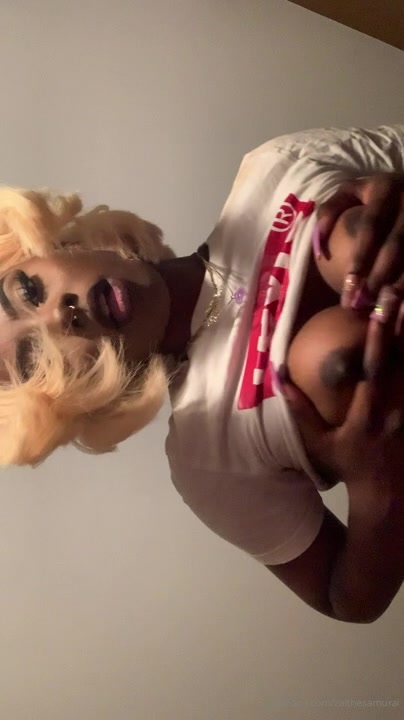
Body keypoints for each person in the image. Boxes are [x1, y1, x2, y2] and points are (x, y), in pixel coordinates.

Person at [0, 125, 404, 623]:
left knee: (352, 237)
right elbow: (346, 597)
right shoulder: (204, 456)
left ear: (57, 243)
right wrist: (377, 484)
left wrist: (392, 195)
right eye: (34, 356)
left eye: (28, 291)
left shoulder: (275, 167)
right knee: (330, 361)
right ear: (68, 395)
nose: (59, 317)